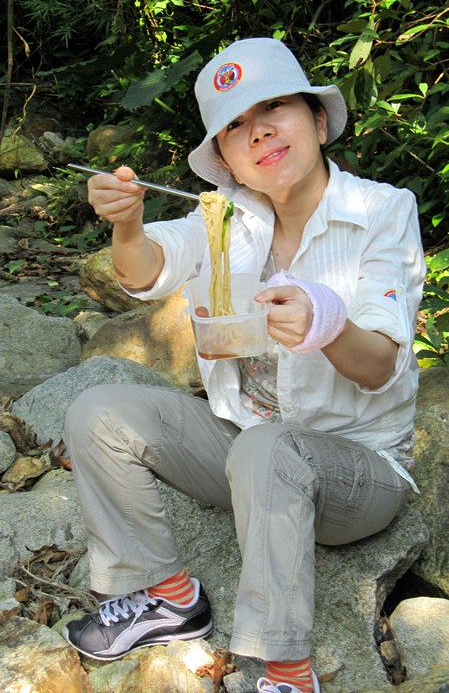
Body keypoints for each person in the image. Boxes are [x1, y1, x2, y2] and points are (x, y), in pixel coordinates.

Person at [63, 38, 426, 693]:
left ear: (317, 120)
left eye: (274, 108)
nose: (256, 131)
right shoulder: (224, 219)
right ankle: (168, 598)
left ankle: (287, 671)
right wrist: (125, 223)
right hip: (241, 451)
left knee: (267, 449)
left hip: (358, 468)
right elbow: (143, 268)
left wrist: (326, 320)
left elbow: (378, 367)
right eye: (233, 126)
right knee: (98, 411)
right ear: (223, 159)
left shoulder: (380, 210)